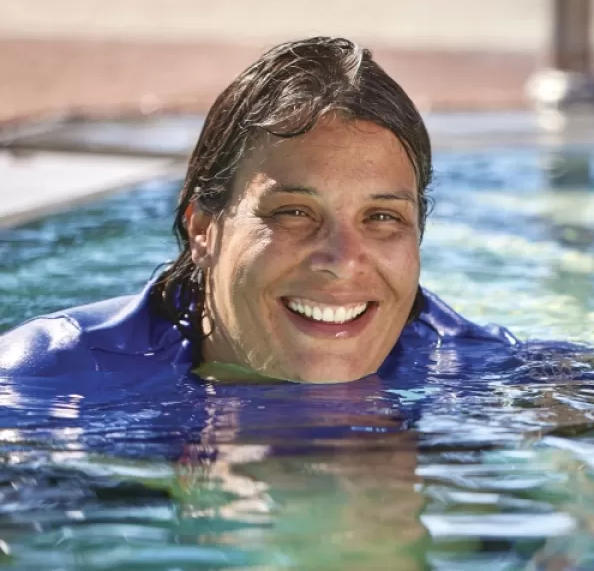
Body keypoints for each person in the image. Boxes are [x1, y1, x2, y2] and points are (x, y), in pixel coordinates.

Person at [0, 37, 522, 387]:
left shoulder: (486, 376)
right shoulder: (55, 377)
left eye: (382, 218)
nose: (342, 261)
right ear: (203, 228)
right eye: (294, 211)